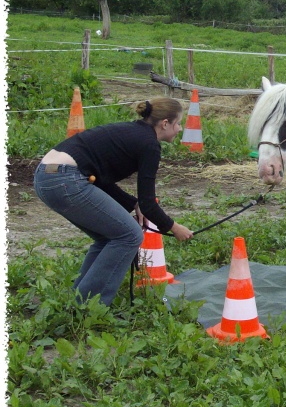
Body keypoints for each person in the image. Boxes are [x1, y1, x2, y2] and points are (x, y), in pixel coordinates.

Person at [33, 97, 194, 306]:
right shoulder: (149, 145)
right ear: (165, 123)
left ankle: (80, 299)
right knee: (129, 235)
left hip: (46, 177)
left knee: (108, 237)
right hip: (65, 180)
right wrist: (174, 227)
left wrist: (133, 204)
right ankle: (89, 307)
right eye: (178, 123)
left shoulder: (132, 132)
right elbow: (149, 203)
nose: (180, 128)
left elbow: (100, 178)